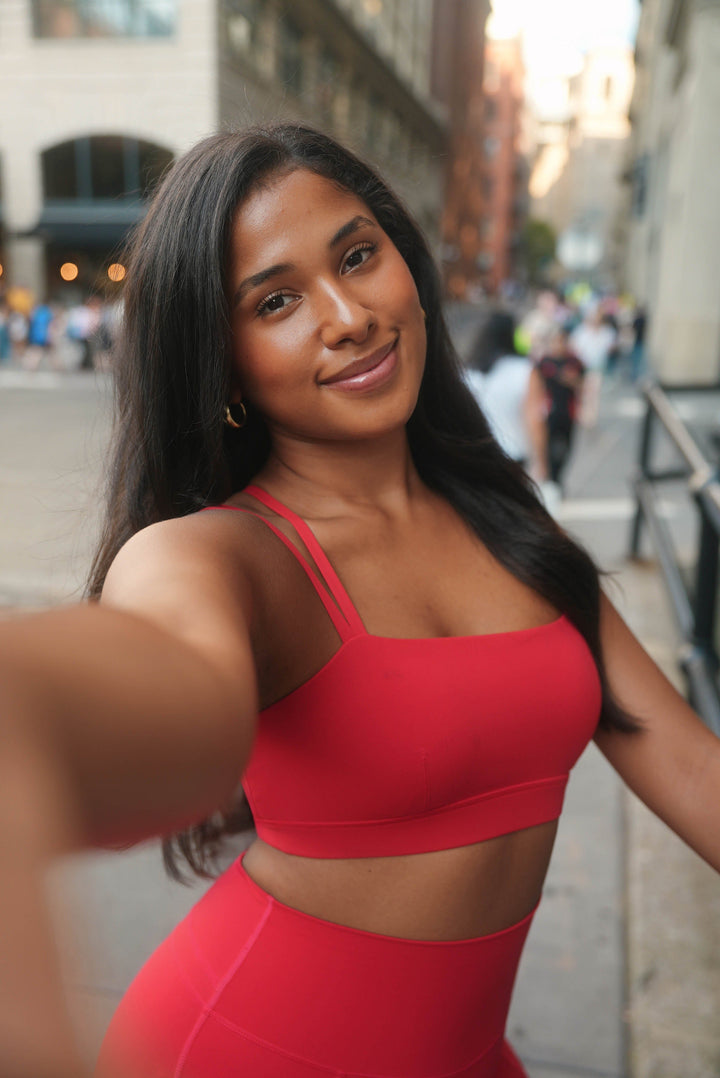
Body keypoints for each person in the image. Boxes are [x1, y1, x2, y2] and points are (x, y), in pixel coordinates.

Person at [1, 124, 720, 1078]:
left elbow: (689, 764)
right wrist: (32, 716)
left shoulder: (512, 521)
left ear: (404, 260)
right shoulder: (221, 556)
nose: (347, 316)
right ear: (223, 363)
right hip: (247, 1050)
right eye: (278, 301)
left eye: (356, 255)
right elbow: (160, 696)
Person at [464, 310, 547, 480]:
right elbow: (534, 419)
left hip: (477, 456)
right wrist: (540, 461)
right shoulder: (524, 371)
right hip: (513, 456)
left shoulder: (468, 373)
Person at [537, 326, 585, 491]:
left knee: (566, 447)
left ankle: (557, 479)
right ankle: (549, 480)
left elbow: (582, 383)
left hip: (568, 412)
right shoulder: (544, 362)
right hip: (548, 412)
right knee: (547, 446)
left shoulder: (575, 362)